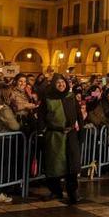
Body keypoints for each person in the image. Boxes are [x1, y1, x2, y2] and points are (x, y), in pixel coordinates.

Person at [37, 74, 82, 204]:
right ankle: (55, 191)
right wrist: (42, 132)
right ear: (53, 85)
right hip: (54, 136)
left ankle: (73, 191)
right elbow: (41, 116)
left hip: (70, 135)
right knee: (54, 166)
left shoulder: (71, 96)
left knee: (72, 165)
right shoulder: (48, 98)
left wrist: (80, 131)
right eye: (58, 83)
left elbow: (78, 114)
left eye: (62, 82)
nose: (61, 85)